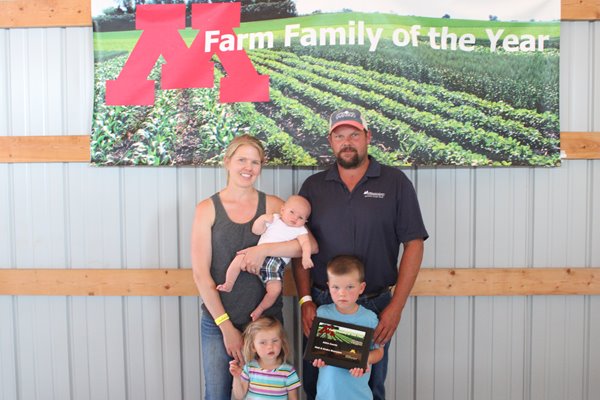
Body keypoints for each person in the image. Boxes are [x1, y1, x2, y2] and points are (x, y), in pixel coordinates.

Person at [293, 108, 429, 400]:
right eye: (339, 136)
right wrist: (305, 300)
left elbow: (414, 244)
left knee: (368, 386)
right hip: (324, 304)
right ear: (331, 142)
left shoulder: (395, 183)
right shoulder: (313, 187)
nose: (347, 142)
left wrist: (396, 306)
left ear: (368, 137)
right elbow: (298, 245)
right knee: (320, 386)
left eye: (354, 134)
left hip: (375, 305)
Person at [191, 134, 316, 399]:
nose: (248, 168)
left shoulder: (273, 205)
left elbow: (309, 246)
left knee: (268, 395)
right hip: (219, 322)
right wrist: (226, 327)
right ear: (227, 162)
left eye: (255, 162)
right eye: (242, 160)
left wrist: (264, 250)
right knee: (218, 393)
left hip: (266, 324)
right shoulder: (207, 209)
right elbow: (201, 275)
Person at [217, 194, 314, 321]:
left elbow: (306, 244)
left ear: (305, 221)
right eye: (292, 212)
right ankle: (229, 283)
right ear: (283, 209)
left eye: (300, 217)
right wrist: (262, 219)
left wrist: (306, 257)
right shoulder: (274, 219)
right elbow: (256, 230)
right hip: (255, 255)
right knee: (239, 258)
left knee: (275, 290)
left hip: (275, 264)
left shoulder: (300, 230)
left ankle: (260, 309)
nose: (295, 218)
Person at [311, 255, 384, 400]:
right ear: (328, 286)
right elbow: (317, 350)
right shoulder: (322, 314)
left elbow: (379, 351)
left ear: (361, 288)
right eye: (335, 287)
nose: (342, 293)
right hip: (327, 395)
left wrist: (366, 359)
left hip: (358, 395)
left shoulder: (369, 318)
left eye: (349, 287)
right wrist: (317, 359)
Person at [229, 316, 302, 399]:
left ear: (282, 342)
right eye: (263, 342)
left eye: (275, 341)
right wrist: (237, 377)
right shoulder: (249, 368)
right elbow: (239, 396)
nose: (270, 346)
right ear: (253, 347)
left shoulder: (288, 372)